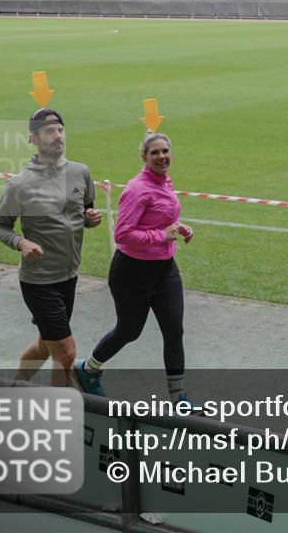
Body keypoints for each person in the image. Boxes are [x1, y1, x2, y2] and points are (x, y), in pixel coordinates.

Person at [75, 132, 194, 404]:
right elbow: (123, 234)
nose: (162, 156)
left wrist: (178, 228)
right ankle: (88, 369)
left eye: (165, 151)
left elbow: (158, 220)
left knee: (174, 331)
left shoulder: (165, 182)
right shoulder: (137, 189)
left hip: (165, 270)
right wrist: (162, 235)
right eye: (155, 153)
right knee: (129, 331)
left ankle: (179, 398)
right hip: (132, 272)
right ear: (144, 157)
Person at [0, 108, 101, 387]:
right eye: (50, 131)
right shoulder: (19, 184)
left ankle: (15, 387)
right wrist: (21, 242)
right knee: (66, 353)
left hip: (69, 275)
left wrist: (90, 219)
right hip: (39, 281)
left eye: (61, 130)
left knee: (45, 343)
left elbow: (84, 211)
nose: (58, 135)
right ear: (33, 138)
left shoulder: (80, 172)